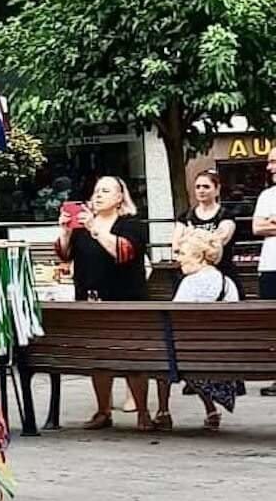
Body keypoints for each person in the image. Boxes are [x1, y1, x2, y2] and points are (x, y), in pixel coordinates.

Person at [55, 176, 153, 429]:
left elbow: (124, 253)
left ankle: (143, 411)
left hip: (126, 300)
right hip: (91, 299)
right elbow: (65, 256)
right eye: (96, 190)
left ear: (120, 198)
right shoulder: (83, 227)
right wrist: (65, 233)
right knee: (98, 358)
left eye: (105, 191)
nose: (98, 195)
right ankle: (103, 410)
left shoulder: (131, 225)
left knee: (132, 358)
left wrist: (96, 230)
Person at [154, 230, 239, 431]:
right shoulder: (228, 283)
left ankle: (163, 412)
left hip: (189, 352)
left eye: (182, 253)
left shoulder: (190, 283)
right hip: (222, 352)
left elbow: (175, 317)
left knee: (164, 355)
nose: (178, 259)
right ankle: (211, 411)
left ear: (199, 256)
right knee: (189, 356)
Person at [173, 170, 240, 297]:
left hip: (222, 273)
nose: (201, 190)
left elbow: (219, 242)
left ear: (217, 189)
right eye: (198, 187)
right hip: (191, 275)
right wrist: (204, 238)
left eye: (206, 186)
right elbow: (176, 246)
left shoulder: (226, 215)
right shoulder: (185, 216)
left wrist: (191, 236)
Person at [253, 149, 276, 396]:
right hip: (270, 266)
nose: (270, 167)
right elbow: (256, 227)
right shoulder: (267, 195)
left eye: (273, 161)